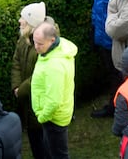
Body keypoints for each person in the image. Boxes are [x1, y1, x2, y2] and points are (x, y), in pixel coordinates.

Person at [30, 20, 77, 159]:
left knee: (58, 155)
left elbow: (54, 101)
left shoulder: (54, 66)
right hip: (55, 114)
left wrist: (42, 116)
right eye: (34, 42)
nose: (36, 47)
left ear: (52, 40)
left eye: (40, 43)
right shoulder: (57, 49)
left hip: (53, 118)